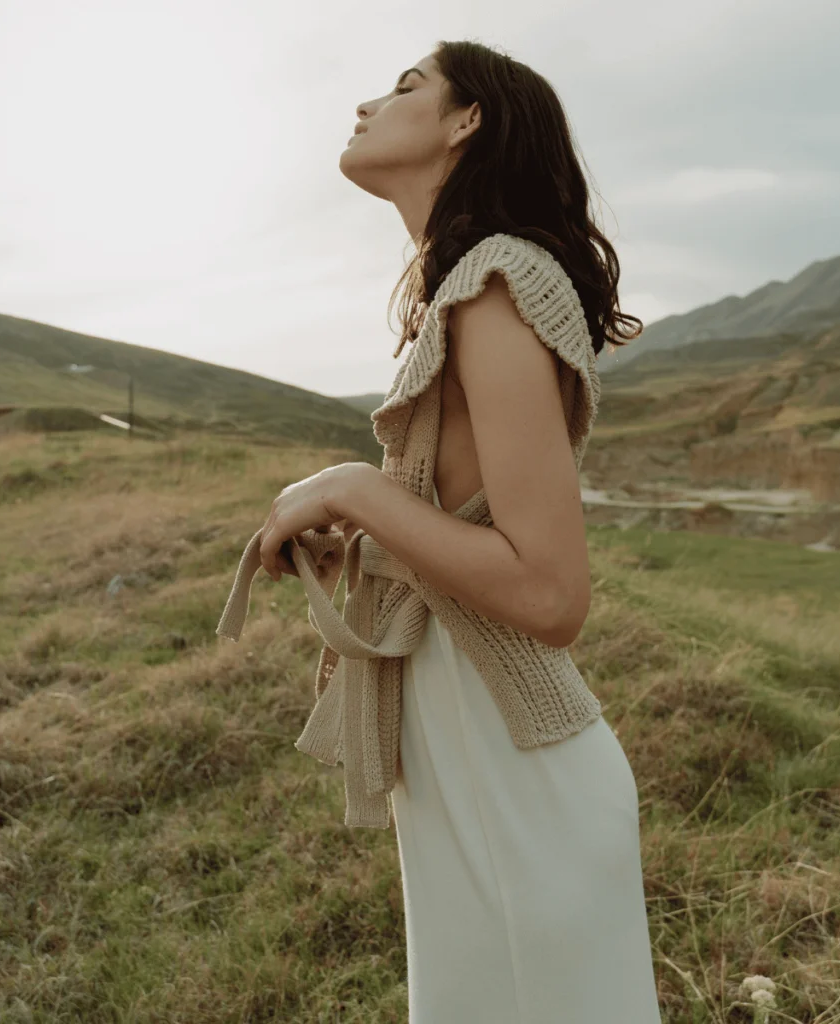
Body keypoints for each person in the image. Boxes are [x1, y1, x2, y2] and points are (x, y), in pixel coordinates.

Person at [254, 39, 661, 1024]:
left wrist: (353, 487)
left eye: (403, 88)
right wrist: (381, 535)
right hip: (472, 766)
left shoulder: (497, 280)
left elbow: (549, 593)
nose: (364, 104)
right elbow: (470, 537)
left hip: (517, 787)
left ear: (465, 120)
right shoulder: (465, 287)